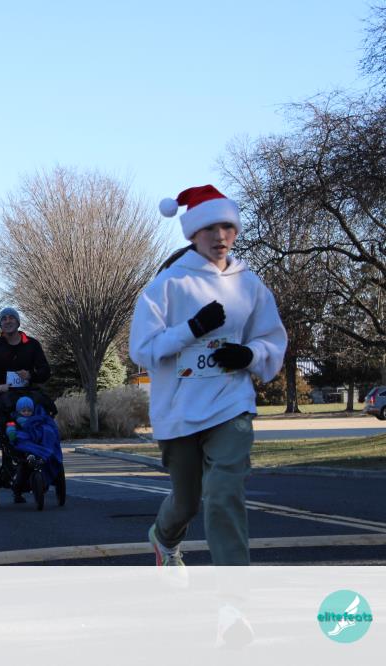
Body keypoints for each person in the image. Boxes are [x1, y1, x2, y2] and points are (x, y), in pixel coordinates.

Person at [130, 186, 286, 643]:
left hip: (231, 405)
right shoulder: (167, 285)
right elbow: (142, 349)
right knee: (188, 501)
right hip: (179, 411)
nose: (221, 236)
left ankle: (233, 609)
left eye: (228, 227)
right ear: (193, 233)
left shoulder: (249, 285)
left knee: (223, 496)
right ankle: (165, 538)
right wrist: (191, 329)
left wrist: (249, 355)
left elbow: (272, 340)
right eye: (211, 228)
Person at [0, 306, 51, 500]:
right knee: (8, 434)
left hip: (28, 396)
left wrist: (31, 375)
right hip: (4, 397)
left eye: (12, 318)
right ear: (0, 324)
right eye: (4, 319)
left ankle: (39, 459)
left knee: (44, 412)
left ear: (18, 322)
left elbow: (45, 371)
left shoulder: (32, 345)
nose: (8, 321)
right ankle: (11, 472)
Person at [5, 395, 65, 505]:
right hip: (22, 444)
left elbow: (43, 429)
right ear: (18, 411)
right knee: (23, 443)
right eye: (24, 411)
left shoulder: (37, 419)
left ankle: (39, 457)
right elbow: (11, 432)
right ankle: (31, 456)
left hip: (36, 442)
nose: (26, 413)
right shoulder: (14, 420)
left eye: (29, 411)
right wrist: (12, 433)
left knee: (46, 433)